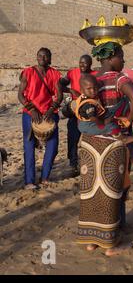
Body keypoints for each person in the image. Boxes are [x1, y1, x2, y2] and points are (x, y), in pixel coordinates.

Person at [76, 40, 133, 257]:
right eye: (121, 56)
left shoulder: (90, 80)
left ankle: (91, 242)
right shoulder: (119, 78)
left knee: (91, 191)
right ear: (111, 57)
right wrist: (128, 119)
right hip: (109, 144)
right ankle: (110, 246)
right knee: (110, 193)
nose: (123, 60)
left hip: (87, 143)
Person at [18, 48, 62, 190]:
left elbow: (59, 95)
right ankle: (29, 181)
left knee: (53, 146)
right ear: (36, 57)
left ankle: (45, 177)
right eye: (40, 55)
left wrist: (51, 109)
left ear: (50, 58)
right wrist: (31, 109)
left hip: (49, 113)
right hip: (30, 113)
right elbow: (20, 95)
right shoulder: (28, 72)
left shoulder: (54, 73)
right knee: (29, 146)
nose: (42, 57)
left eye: (45, 56)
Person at [58, 55, 97, 175]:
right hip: (75, 110)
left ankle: (92, 162)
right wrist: (70, 91)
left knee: (90, 138)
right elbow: (60, 84)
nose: (82, 65)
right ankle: (73, 164)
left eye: (85, 63)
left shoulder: (95, 74)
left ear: (90, 64)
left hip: (90, 109)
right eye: (81, 63)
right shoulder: (72, 73)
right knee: (73, 138)